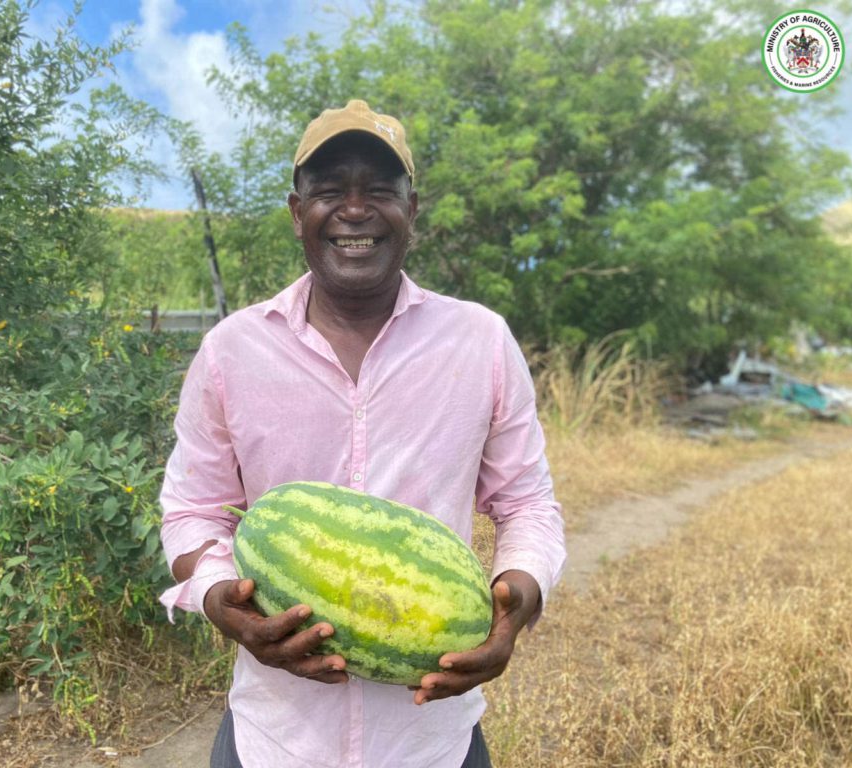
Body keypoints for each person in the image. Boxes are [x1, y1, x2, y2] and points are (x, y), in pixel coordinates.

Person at [159, 99, 566, 768]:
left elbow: (527, 505)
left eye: (379, 189)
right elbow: (192, 511)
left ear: (413, 208)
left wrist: (515, 606)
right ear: (298, 212)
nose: (354, 209)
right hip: (274, 740)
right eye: (329, 191)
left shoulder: (481, 343)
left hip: (431, 741)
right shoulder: (231, 352)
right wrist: (218, 601)